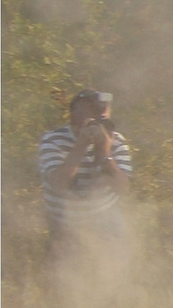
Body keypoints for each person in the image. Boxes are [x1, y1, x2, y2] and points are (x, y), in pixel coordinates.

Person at [38, 90, 132, 258]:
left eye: (103, 118)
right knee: (64, 276)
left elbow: (122, 188)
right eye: (92, 117)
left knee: (115, 271)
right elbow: (59, 184)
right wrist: (81, 145)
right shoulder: (53, 140)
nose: (99, 124)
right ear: (74, 117)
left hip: (105, 218)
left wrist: (104, 152)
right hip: (63, 221)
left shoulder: (115, 140)